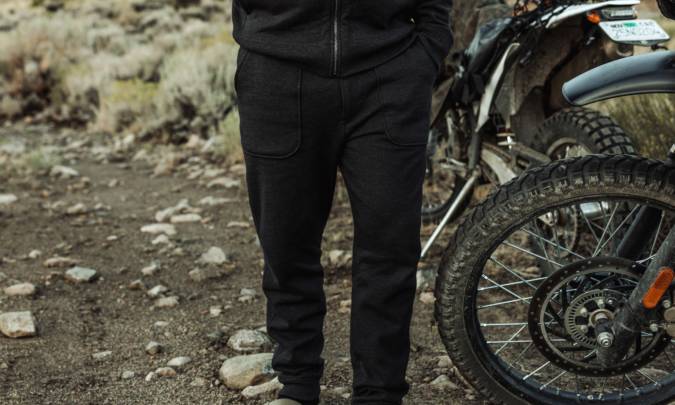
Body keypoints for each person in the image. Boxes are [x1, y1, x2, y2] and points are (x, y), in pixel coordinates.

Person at [231, 1, 453, 404]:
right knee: (285, 242)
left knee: (390, 248)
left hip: (389, 74)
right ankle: (297, 383)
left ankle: (379, 392)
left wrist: (426, 52)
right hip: (276, 73)